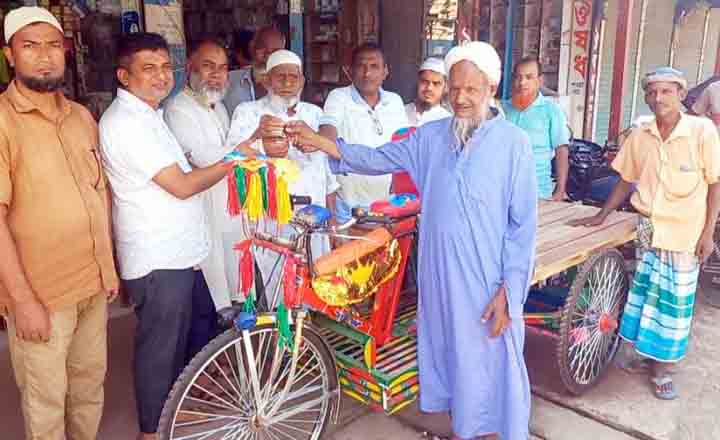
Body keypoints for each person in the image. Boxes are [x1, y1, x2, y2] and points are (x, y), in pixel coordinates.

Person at [287, 41, 536, 440]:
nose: (460, 98)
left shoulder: (513, 143)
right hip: (439, 273)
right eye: (454, 89)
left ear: (491, 87)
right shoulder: (431, 136)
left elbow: (523, 226)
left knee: (491, 356)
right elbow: (376, 158)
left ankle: (494, 431)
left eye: (471, 89)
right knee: (451, 354)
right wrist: (322, 143)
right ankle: (464, 428)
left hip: (486, 277)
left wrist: (511, 289)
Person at [98, 32, 232, 439]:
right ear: (124, 76)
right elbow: (182, 185)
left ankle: (178, 410)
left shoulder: (151, 115)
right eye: (148, 69)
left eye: (164, 67)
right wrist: (238, 159)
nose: (161, 77)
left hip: (181, 251)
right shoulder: (126, 124)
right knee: (159, 350)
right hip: (157, 257)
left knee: (192, 334)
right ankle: (152, 431)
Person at [0, 7, 119, 440]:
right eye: (29, 47)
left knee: (89, 390)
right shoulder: (3, 122)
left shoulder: (81, 118)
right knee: (45, 401)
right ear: (10, 56)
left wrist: (109, 268)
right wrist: (22, 299)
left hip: (91, 284)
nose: (44, 57)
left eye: (53, 45)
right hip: (42, 294)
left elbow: (97, 194)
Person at [570, 67, 720, 400]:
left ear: (681, 95)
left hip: (685, 229)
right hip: (649, 225)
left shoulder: (702, 131)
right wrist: (601, 216)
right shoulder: (641, 134)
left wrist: (708, 233)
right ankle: (642, 354)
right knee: (646, 294)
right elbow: (626, 179)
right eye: (652, 92)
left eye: (666, 92)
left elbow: (715, 184)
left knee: (675, 303)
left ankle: (665, 369)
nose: (658, 98)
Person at [226, 50, 338, 296]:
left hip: (314, 217)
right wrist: (258, 139)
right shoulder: (247, 112)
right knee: (276, 288)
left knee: (313, 286)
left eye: (293, 77)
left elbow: (328, 174)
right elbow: (232, 158)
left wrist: (332, 221)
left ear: (302, 81)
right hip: (270, 219)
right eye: (280, 77)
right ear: (267, 80)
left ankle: (306, 333)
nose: (288, 83)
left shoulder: (315, 114)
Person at [164, 38, 246, 320]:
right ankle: (203, 362)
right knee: (206, 295)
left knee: (231, 284)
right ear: (190, 68)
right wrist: (243, 150)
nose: (216, 75)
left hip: (226, 208)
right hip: (202, 210)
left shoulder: (217, 106)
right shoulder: (178, 109)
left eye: (222, 68)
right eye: (208, 66)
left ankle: (223, 356)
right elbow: (203, 158)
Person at [319, 42, 408, 222]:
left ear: (385, 71)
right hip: (348, 205)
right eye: (361, 66)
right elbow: (328, 133)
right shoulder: (339, 97)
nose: (367, 73)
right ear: (350, 71)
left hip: (387, 204)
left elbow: (403, 146)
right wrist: (322, 143)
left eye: (374, 66)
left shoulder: (395, 101)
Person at [502, 57, 571, 200]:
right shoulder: (503, 109)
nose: (522, 83)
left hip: (537, 192)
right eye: (518, 77)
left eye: (529, 77)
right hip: (503, 192)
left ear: (539, 81)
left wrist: (560, 190)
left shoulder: (551, 110)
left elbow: (561, 151)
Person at [223, 26, 286, 115]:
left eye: (275, 51)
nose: (267, 56)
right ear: (252, 48)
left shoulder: (290, 87)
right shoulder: (228, 80)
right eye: (262, 49)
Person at [405, 57, 452, 127]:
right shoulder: (401, 112)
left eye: (436, 83)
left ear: (445, 87)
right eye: (424, 82)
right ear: (418, 82)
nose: (429, 88)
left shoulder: (448, 121)